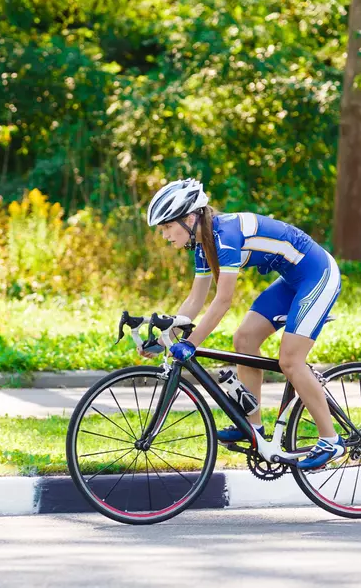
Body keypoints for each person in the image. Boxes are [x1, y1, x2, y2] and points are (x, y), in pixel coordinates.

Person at [142, 178, 344, 470]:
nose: (164, 235)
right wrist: (165, 339)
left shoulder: (224, 236)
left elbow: (223, 301)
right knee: (245, 340)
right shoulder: (203, 244)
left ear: (189, 218)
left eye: (166, 227)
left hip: (318, 274)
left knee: (290, 360)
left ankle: (331, 440)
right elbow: (195, 301)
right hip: (292, 280)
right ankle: (254, 428)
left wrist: (191, 344)